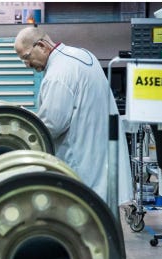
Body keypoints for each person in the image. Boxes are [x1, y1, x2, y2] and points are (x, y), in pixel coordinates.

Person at [14, 26, 132, 207]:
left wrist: (23, 126)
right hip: (101, 156)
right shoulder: (82, 55)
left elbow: (52, 125)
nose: (27, 65)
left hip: (82, 164)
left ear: (42, 46)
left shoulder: (58, 74)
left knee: (85, 213)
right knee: (103, 211)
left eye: (27, 57)